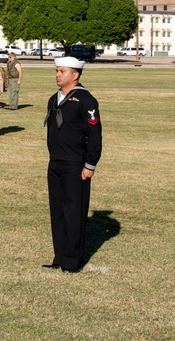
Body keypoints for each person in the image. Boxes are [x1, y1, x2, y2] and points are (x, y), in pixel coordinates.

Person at [43, 56, 102, 273]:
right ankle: (59, 256)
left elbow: (94, 135)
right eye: (57, 71)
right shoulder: (53, 99)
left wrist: (90, 165)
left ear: (75, 75)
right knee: (57, 211)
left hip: (75, 164)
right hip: (56, 163)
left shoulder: (86, 100)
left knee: (74, 212)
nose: (58, 75)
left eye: (62, 71)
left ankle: (72, 261)